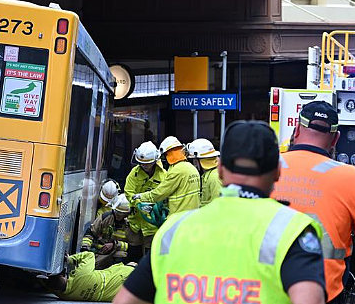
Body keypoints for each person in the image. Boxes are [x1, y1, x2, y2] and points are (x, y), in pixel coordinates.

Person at [113, 121, 326, 304]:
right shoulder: (293, 231)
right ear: (278, 171)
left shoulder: (172, 230)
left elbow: (125, 300)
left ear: (221, 169)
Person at [271, 101, 355, 303]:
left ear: (296, 129)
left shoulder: (267, 167)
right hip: (324, 293)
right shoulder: (350, 177)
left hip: (265, 289)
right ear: (335, 139)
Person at [130, 136, 200, 216]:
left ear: (168, 154)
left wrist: (140, 197)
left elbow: (160, 193)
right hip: (192, 215)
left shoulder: (176, 170)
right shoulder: (191, 168)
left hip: (179, 217)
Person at [124, 141, 166, 259]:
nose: (144, 166)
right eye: (141, 163)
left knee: (150, 257)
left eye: (147, 164)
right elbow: (128, 192)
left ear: (154, 161)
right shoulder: (134, 174)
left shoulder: (163, 176)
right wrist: (139, 204)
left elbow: (165, 195)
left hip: (152, 224)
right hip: (135, 223)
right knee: (133, 255)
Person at [45, 251, 135, 302]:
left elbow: (51, 286)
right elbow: (89, 255)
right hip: (121, 276)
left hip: (114, 294)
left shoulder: (66, 296)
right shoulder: (80, 275)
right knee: (134, 265)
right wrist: (70, 260)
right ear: (61, 276)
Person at [81, 195, 134, 270]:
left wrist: (115, 244)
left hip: (120, 256)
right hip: (101, 252)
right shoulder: (105, 218)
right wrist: (85, 248)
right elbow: (90, 233)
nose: (118, 215)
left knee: (121, 255)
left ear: (128, 213)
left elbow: (134, 248)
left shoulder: (132, 225)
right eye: (117, 212)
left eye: (121, 213)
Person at [186, 138, 222, 207]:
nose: (194, 164)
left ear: (197, 161)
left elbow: (218, 205)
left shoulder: (214, 178)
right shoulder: (209, 175)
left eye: (194, 160)